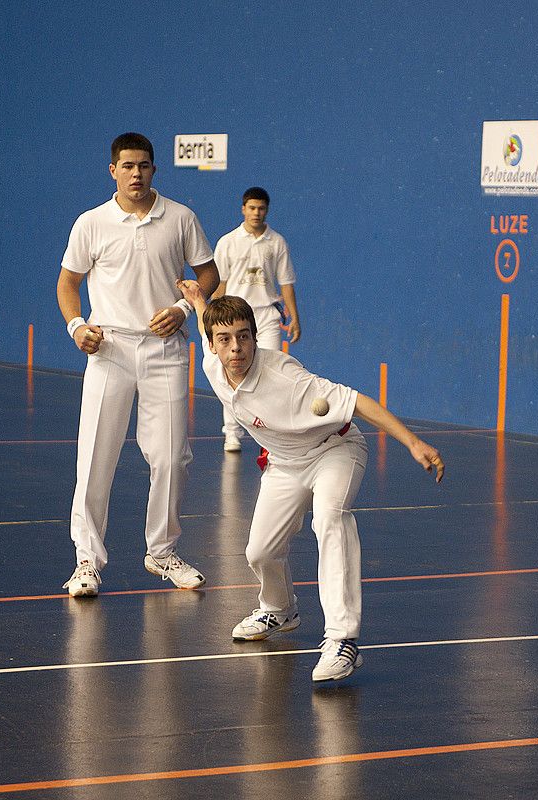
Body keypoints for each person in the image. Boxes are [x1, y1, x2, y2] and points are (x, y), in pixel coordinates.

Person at [178, 281, 445, 682]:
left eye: (244, 337)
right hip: (286, 462)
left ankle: (343, 640)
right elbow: (206, 324)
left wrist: (412, 442)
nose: (236, 348)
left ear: (255, 337)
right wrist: (200, 301)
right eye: (225, 340)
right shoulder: (215, 365)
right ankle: (280, 610)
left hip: (334, 450)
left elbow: (357, 402)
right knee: (259, 552)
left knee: (330, 519)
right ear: (213, 346)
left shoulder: (287, 378)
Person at [56, 132, 219, 598]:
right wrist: (76, 327)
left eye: (144, 166)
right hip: (109, 350)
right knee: (94, 459)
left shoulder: (181, 217)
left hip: (165, 351)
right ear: (113, 170)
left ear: (154, 170)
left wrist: (184, 308)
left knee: (172, 457)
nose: (136, 173)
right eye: (127, 166)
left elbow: (207, 271)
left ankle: (161, 552)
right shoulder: (91, 222)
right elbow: (68, 283)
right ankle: (87, 561)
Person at [211, 187, 301, 452]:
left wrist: (295, 317)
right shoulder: (228, 241)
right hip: (233, 319)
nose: (256, 213)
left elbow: (286, 283)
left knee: (272, 374)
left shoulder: (277, 242)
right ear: (243, 209)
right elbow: (220, 284)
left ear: (267, 210)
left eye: (261, 208)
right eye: (251, 208)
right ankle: (232, 433)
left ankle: (273, 439)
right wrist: (213, 320)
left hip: (266, 315)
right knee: (232, 373)